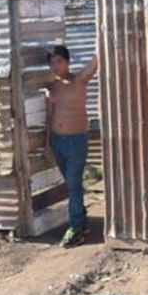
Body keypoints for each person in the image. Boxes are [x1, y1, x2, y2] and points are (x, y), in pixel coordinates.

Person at [44, 45, 98, 248]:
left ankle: (75, 228)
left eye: (59, 61)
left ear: (68, 62)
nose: (56, 66)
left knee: (73, 185)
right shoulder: (51, 88)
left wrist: (101, 37)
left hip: (76, 141)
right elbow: (50, 117)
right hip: (58, 142)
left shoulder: (79, 81)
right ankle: (81, 221)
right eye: (52, 62)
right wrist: (47, 143)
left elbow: (94, 65)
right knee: (72, 185)